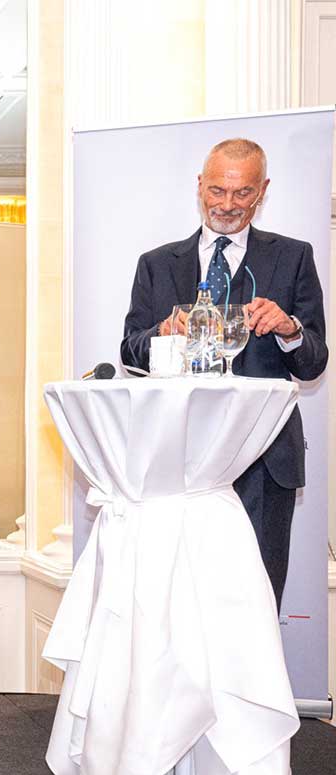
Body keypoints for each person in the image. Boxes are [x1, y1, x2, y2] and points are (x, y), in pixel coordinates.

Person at [120, 138, 328, 608]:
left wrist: (290, 329)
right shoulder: (156, 264)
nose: (227, 205)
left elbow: (314, 361)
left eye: (242, 193)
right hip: (178, 457)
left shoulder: (293, 257)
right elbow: (130, 351)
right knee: (180, 599)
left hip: (264, 459)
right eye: (217, 190)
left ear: (263, 190)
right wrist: (162, 332)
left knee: (255, 601)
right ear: (200, 185)